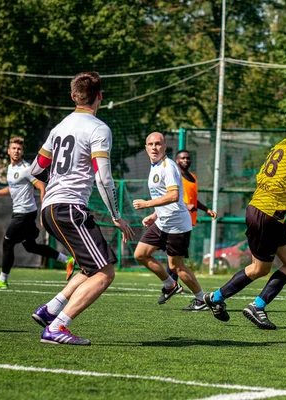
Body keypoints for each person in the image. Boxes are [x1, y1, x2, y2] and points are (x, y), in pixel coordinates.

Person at [203, 106, 286, 330]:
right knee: (260, 269)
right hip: (268, 215)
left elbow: (261, 176)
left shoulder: (280, 146)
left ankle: (219, 299)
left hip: (264, 212)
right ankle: (244, 304)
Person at [29, 72, 134, 345]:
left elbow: (36, 169)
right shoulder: (99, 128)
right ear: (100, 96)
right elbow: (102, 177)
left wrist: (48, 195)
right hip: (69, 207)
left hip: (51, 208)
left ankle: (50, 310)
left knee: (91, 266)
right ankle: (58, 327)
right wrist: (116, 217)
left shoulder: (59, 127)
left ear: (73, 96)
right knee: (105, 272)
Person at [0, 137, 74, 289]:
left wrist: (44, 211)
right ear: (8, 151)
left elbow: (42, 187)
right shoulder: (10, 168)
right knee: (30, 246)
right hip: (21, 213)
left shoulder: (27, 168)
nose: (16, 151)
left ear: (22, 151)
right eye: (13, 148)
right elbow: (12, 187)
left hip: (24, 214)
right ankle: (67, 260)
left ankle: (2, 280)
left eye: (19, 149)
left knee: (7, 243)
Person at [133, 133, 206, 308]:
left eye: (158, 144)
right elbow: (164, 196)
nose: (154, 147)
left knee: (177, 266)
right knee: (140, 254)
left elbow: (173, 196)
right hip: (162, 221)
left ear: (165, 146)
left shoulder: (168, 166)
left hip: (177, 224)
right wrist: (154, 215)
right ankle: (170, 285)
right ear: (146, 147)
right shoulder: (155, 166)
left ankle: (201, 299)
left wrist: (147, 204)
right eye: (150, 144)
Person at [163, 149, 217, 311]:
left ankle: (171, 285)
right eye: (182, 158)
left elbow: (194, 200)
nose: (186, 160)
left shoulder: (193, 177)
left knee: (176, 258)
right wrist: (186, 206)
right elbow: (171, 196)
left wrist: (206, 209)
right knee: (174, 257)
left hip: (188, 221)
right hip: (176, 219)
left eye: (188, 158)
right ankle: (169, 286)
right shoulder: (174, 176)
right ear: (176, 160)